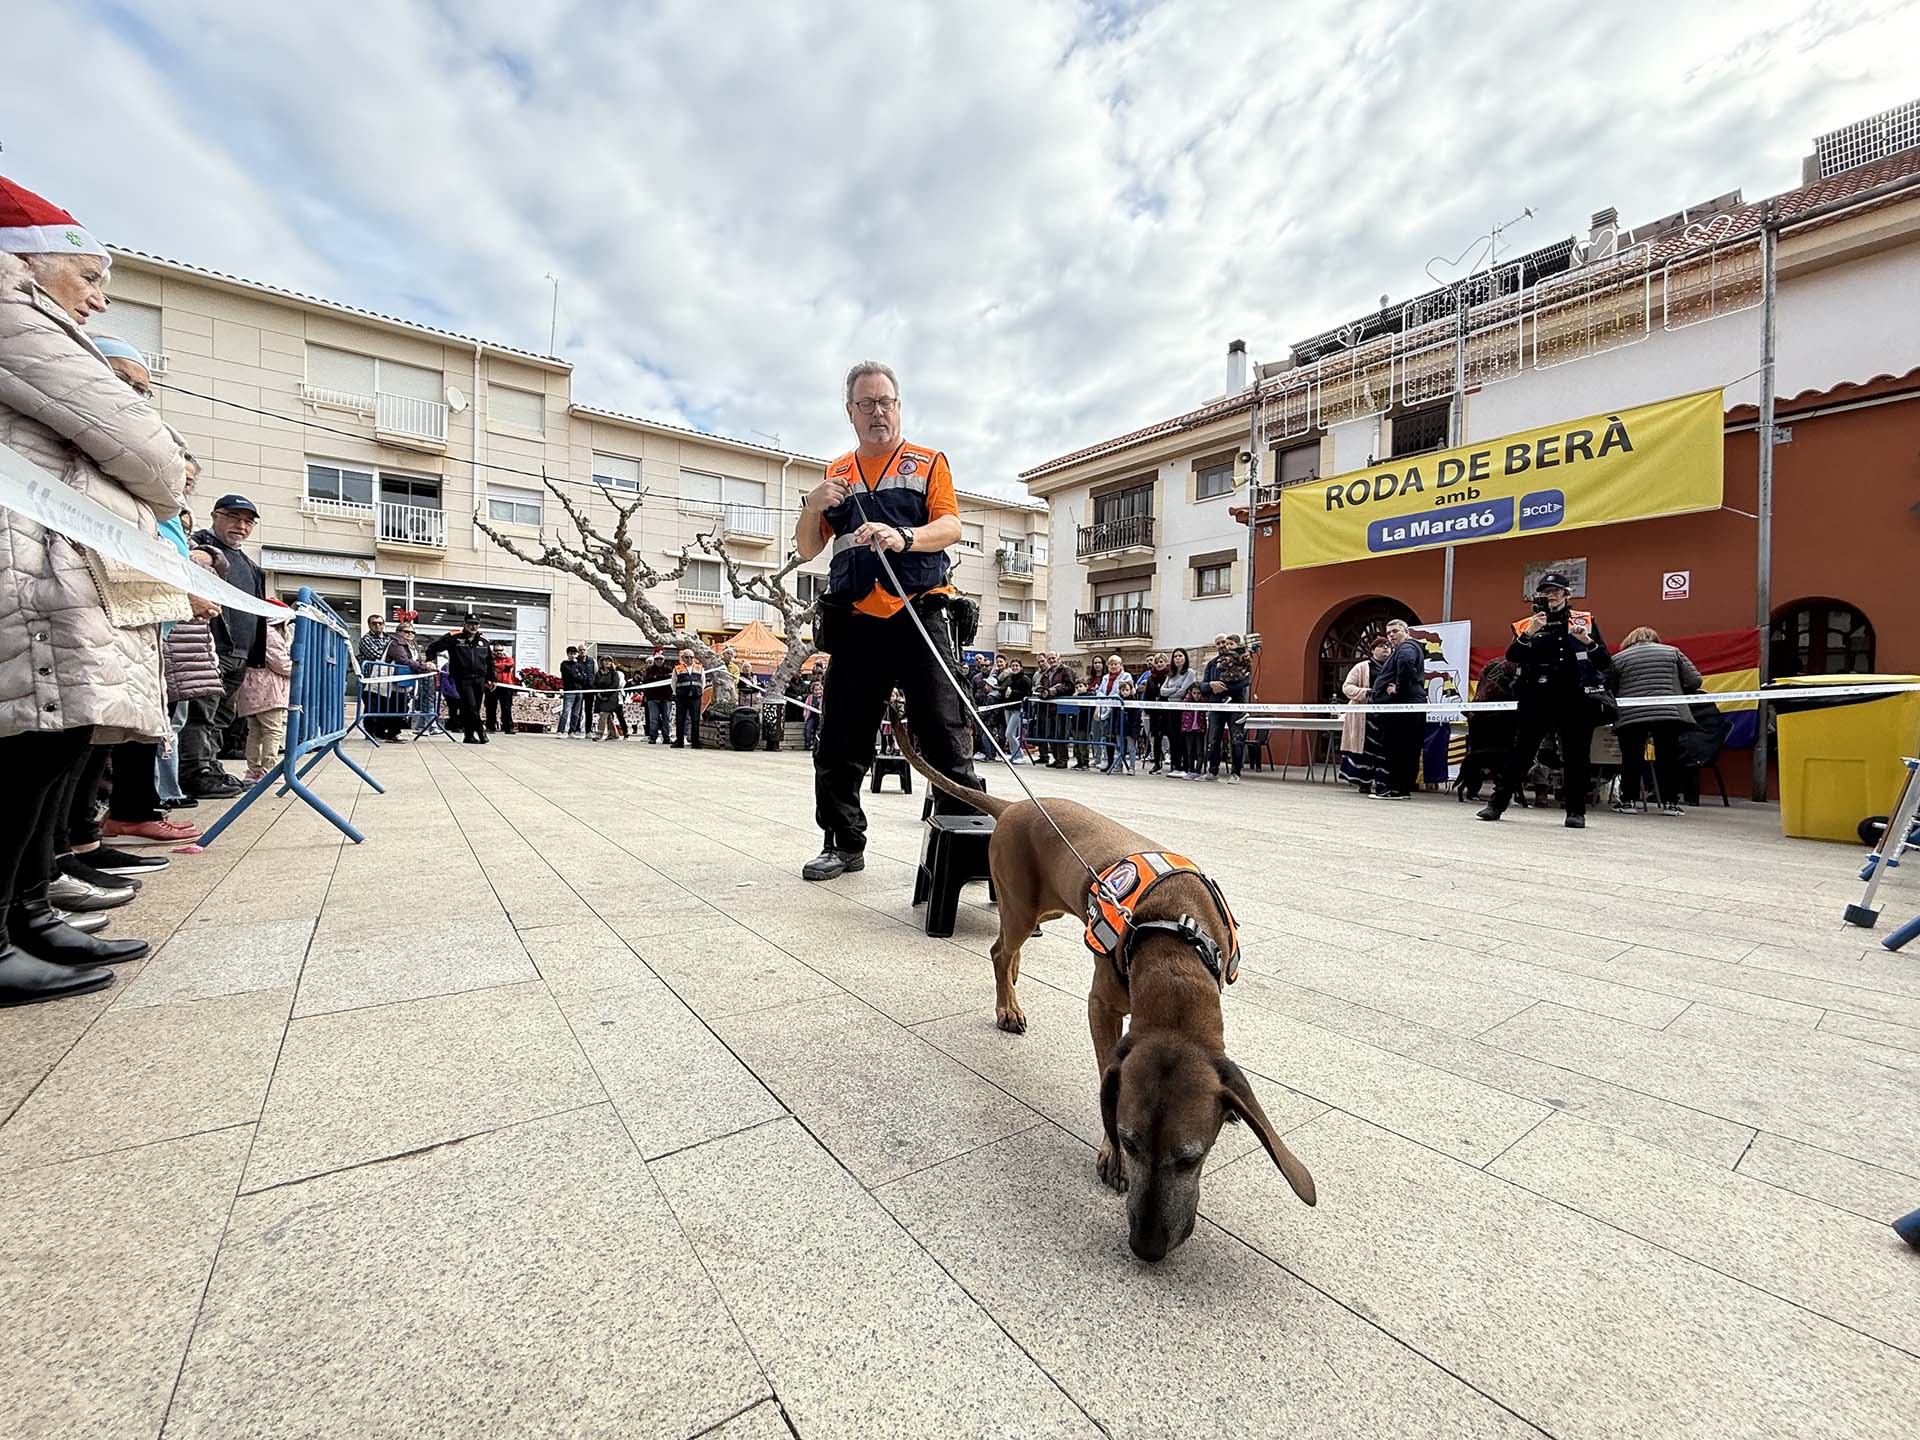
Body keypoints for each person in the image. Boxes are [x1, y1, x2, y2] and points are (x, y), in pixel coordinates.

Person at [0, 177, 189, 1003]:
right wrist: (165, 475)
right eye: (89, 279)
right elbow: (150, 454)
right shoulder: (13, 313)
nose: (99, 303)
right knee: (37, 739)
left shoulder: (34, 317)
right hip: (31, 560)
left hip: (56, 556)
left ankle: (27, 909)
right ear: (29, 262)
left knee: (60, 740)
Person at [792, 360, 981, 881]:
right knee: (839, 737)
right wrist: (811, 506)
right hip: (857, 622)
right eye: (867, 404)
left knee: (943, 730)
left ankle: (968, 843)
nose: (879, 412)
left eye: (887, 402)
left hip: (920, 612)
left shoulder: (927, 462)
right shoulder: (838, 475)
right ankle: (842, 843)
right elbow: (809, 549)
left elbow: (951, 525)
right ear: (850, 412)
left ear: (898, 405)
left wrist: (906, 537)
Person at [1477, 573, 1612, 828]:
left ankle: (1575, 811)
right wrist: (1529, 633)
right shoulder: (1527, 623)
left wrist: (1586, 640)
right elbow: (1512, 656)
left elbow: (1605, 660)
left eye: (1556, 591)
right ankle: (1496, 805)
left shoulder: (1583, 621)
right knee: (1521, 752)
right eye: (1546, 591)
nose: (1551, 595)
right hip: (1535, 697)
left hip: (1573, 697)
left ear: (1566, 594)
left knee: (1576, 756)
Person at [183, 493, 266, 795]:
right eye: (233, 517)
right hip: (209, 647)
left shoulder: (250, 566)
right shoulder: (200, 547)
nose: (241, 526)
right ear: (216, 516)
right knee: (200, 712)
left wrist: (255, 656)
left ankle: (210, 765)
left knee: (221, 716)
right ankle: (194, 770)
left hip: (239, 654)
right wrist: (205, 552)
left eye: (247, 521)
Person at [1609, 627, 1703, 815]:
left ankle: (1628, 801)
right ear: (1655, 638)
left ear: (1629, 640)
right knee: (1668, 758)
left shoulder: (1618, 658)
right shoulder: (1672, 652)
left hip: (1631, 715)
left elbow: (1610, 685)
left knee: (1631, 758)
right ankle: (1670, 803)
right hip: (1667, 713)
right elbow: (1695, 680)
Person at [235, 603, 294, 783]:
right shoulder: (271, 635)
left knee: (255, 731)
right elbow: (281, 664)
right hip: (269, 689)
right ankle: (269, 770)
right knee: (273, 731)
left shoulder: (255, 631)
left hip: (251, 688)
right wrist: (298, 670)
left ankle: (253, 770)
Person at [1371, 619, 1427, 799]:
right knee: (1408, 749)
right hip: (1409, 705)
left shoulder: (1406, 648)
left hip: (1402, 708)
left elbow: (1405, 664)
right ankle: (1402, 788)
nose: (1392, 635)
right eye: (1389, 633)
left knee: (1397, 748)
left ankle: (1394, 788)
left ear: (1407, 631)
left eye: (1395, 631)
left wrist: (1399, 689)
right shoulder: (1410, 648)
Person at [426, 618, 494, 743]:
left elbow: (489, 661)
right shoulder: (454, 637)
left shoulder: (484, 640)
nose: (473, 627)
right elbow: (433, 647)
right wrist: (430, 660)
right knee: (471, 706)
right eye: (470, 624)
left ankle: (468, 735)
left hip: (479, 678)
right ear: (465, 624)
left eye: (476, 624)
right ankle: (481, 731)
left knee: (474, 708)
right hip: (462, 678)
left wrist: (492, 678)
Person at [1341, 636, 1390, 792]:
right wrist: (1365, 692)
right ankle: (1364, 783)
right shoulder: (1362, 667)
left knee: (1383, 750)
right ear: (1373, 650)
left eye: (1388, 646)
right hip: (1364, 716)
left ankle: (1382, 783)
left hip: (1385, 716)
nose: (1386, 649)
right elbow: (1347, 687)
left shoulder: (1392, 666)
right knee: (1365, 749)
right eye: (1382, 646)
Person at [1203, 634, 1254, 784]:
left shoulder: (1241, 659)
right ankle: (1212, 772)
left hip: (1236, 705)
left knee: (1236, 739)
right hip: (1216, 705)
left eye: (1225, 642)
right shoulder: (1212, 664)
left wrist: (1224, 687)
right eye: (1218, 643)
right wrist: (1211, 686)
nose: (1222, 645)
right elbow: (1202, 685)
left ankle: (1235, 773)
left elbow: (1246, 681)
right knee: (1213, 739)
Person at [1092, 654, 1133, 775]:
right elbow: (1099, 691)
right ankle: (1109, 761)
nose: (1113, 666)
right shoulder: (1105, 677)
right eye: (1111, 664)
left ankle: (1120, 763)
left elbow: (1125, 691)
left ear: (1121, 665)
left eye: (1116, 664)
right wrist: (1103, 698)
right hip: (1106, 709)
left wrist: (1112, 698)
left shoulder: (1126, 676)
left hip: (1119, 711)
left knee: (1119, 738)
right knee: (1107, 736)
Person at [1034, 651, 1074, 769]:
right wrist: (1042, 693)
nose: (1052, 660)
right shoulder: (1046, 673)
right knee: (1051, 734)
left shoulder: (1066, 670)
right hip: (1049, 708)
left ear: (1058, 657)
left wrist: (1055, 691)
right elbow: (1042, 687)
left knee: (1060, 734)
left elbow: (1070, 686)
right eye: (1049, 658)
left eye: (1053, 658)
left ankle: (1063, 759)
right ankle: (1056, 758)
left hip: (1061, 707)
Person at [999, 657, 1034, 761]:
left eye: (1016, 666)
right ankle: (1014, 754)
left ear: (1021, 667)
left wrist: (1012, 692)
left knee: (1008, 733)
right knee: (1011, 734)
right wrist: (1005, 692)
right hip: (1008, 708)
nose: (1014, 668)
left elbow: (1027, 694)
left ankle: (1019, 755)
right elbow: (1003, 690)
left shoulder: (1025, 679)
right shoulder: (1009, 678)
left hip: (1018, 709)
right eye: (1013, 666)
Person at [671, 648, 705, 747]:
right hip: (682, 696)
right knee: (680, 719)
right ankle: (679, 741)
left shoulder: (699, 668)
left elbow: (703, 682)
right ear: (682, 658)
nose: (689, 659)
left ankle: (695, 742)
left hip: (695, 696)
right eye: (687, 657)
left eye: (691, 657)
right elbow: (673, 682)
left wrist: (699, 692)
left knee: (695, 719)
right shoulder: (677, 669)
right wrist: (675, 693)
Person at [484, 642, 517, 736]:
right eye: (497, 650)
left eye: (501, 650)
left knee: (506, 708)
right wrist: (495, 666)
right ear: (493, 651)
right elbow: (488, 668)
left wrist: (494, 666)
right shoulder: (489, 660)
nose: (499, 652)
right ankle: (490, 727)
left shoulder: (509, 659)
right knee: (490, 707)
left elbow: (507, 666)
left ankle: (508, 728)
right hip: (491, 686)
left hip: (506, 686)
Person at [642, 649, 674, 742]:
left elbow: (672, 680)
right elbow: (647, 681)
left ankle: (666, 737)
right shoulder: (649, 670)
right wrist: (663, 677)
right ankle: (653, 737)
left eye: (661, 659)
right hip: (653, 698)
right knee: (653, 719)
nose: (659, 661)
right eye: (657, 659)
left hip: (666, 697)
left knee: (666, 719)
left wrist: (657, 678)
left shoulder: (669, 669)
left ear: (664, 660)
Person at [593, 655, 626, 741]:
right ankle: (614, 734)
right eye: (605, 660)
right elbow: (595, 684)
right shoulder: (598, 673)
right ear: (602, 662)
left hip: (611, 697)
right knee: (608, 716)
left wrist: (605, 694)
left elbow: (615, 685)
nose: (607, 662)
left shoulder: (614, 673)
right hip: (600, 697)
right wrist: (598, 694)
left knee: (603, 714)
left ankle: (599, 734)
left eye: (609, 661)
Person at [801, 677, 825, 752]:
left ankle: (818, 745)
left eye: (819, 690)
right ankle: (808, 744)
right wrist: (805, 715)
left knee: (819, 731)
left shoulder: (824, 697)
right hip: (811, 716)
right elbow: (806, 707)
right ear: (813, 690)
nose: (818, 692)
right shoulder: (810, 697)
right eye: (816, 690)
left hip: (820, 717)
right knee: (808, 728)